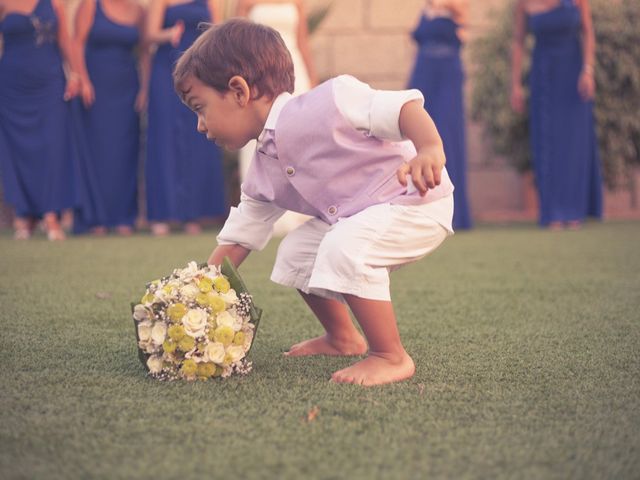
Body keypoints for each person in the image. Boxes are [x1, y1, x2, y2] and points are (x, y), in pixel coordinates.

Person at [173, 19, 456, 386]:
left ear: (239, 91)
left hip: (415, 202)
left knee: (343, 244)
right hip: (363, 216)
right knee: (295, 251)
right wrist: (199, 287)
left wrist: (430, 148)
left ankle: (390, 355)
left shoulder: (331, 99)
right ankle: (343, 338)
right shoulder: (263, 170)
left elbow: (401, 108)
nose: (200, 124)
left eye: (200, 107)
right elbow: (241, 235)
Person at [511, 0, 602, 229]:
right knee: (548, 142)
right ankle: (552, 212)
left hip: (574, 76)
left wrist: (588, 70)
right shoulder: (524, 3)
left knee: (573, 142)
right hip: (544, 76)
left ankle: (574, 211)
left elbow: (588, 31)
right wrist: (515, 85)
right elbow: (519, 41)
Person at [144, 0, 227, 236]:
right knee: (163, 139)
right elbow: (149, 34)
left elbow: (219, 31)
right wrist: (168, 33)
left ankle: (193, 214)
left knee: (198, 138)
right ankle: (161, 214)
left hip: (200, 72)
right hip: (166, 68)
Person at [236, 0, 318, 235]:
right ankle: (262, 209)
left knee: (298, 140)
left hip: (294, 73)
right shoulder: (246, 2)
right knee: (262, 137)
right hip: (259, 74)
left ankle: (303, 210)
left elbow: (302, 42)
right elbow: (236, 43)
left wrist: (313, 80)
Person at [0, 0, 80, 240]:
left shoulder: (54, 2)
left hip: (49, 82)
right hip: (12, 84)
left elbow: (65, 39)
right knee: (16, 149)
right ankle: (24, 216)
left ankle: (51, 215)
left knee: (53, 147)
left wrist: (75, 75)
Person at [71, 0, 148, 236]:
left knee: (124, 152)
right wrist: (83, 80)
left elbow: (144, 51)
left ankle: (123, 217)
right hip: (95, 89)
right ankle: (96, 219)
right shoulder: (91, 5)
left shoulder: (138, 10)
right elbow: (76, 44)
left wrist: (145, 88)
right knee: (97, 152)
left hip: (126, 87)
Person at [408, 0, 471, 230]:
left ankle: (454, 211)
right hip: (422, 75)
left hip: (447, 78)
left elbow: (464, 28)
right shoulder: (425, 8)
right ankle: (417, 206)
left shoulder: (457, 5)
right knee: (414, 135)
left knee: (446, 136)